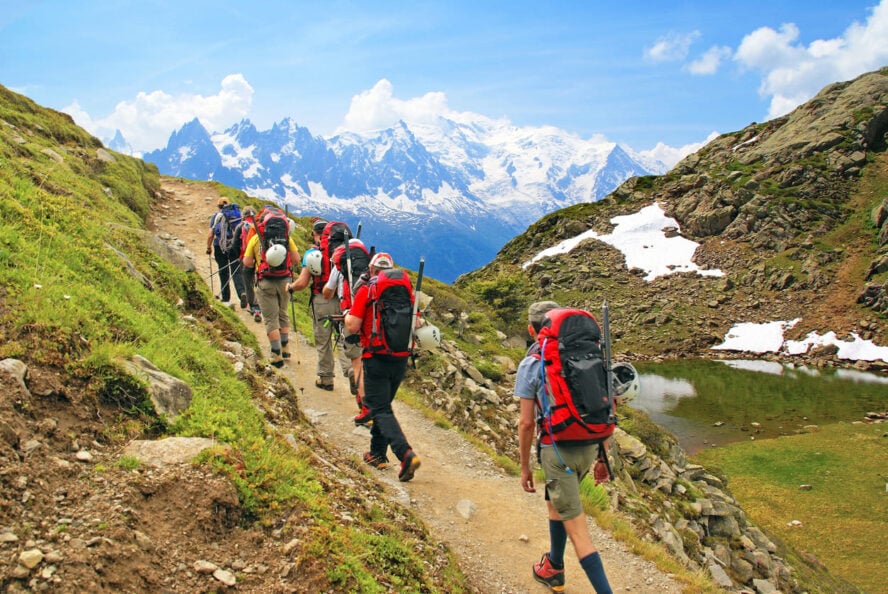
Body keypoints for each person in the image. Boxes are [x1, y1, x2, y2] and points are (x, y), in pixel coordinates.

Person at [517, 301, 614, 594]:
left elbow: (526, 423)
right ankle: (554, 567)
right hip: (589, 446)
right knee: (555, 503)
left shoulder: (532, 364)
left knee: (580, 534)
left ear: (532, 330)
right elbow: (605, 406)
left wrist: (524, 467)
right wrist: (603, 457)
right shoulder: (589, 355)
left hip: (557, 451)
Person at [344, 252, 421, 481]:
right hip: (400, 357)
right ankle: (377, 453)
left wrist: (347, 314)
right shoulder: (407, 292)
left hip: (375, 356)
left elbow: (353, 326)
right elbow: (417, 323)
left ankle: (405, 454)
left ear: (372, 269)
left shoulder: (367, 290)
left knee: (378, 408)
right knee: (383, 405)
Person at [287, 218, 340, 390]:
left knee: (323, 339)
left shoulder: (312, 254)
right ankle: (353, 373)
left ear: (314, 234)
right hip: (343, 301)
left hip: (322, 300)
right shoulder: (343, 252)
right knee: (344, 339)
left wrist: (291, 287)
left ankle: (326, 379)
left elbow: (302, 283)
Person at [323, 238, 371, 425]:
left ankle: (366, 409)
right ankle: (367, 400)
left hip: (351, 317)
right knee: (369, 364)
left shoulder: (340, 267)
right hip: (370, 320)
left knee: (357, 364)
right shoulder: (370, 266)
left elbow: (328, 292)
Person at [242, 214, 300, 367]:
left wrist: (258, 261)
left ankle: (276, 355)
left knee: (270, 318)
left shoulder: (256, 238)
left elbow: (247, 262)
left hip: (265, 281)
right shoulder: (287, 238)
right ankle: (285, 349)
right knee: (283, 312)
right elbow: (296, 259)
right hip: (285, 281)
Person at [206, 197, 247, 307]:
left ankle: (225, 298)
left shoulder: (216, 216)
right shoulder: (238, 216)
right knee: (237, 272)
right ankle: (242, 292)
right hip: (234, 246)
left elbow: (210, 234)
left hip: (220, 246)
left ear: (219, 206)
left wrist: (208, 247)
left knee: (223, 271)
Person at [235, 205, 262, 321]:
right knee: (260, 282)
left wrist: (238, 255)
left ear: (243, 215)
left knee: (248, 283)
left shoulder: (241, 226)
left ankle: (254, 307)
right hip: (261, 260)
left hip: (246, 258)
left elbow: (235, 244)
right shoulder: (260, 226)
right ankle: (261, 306)